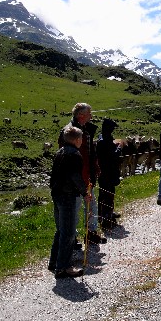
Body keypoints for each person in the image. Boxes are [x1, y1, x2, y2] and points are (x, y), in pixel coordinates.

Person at [58, 103, 106, 244]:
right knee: (75, 209)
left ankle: (91, 233)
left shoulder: (87, 130)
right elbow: (64, 155)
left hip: (88, 176)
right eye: (89, 113)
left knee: (91, 205)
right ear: (81, 115)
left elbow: (91, 152)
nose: (91, 116)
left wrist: (95, 166)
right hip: (76, 178)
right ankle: (71, 239)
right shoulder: (69, 132)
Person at [48, 125, 89, 279]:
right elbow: (75, 176)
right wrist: (84, 192)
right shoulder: (75, 155)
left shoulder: (60, 152)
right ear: (77, 139)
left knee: (60, 230)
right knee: (69, 233)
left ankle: (54, 262)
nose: (82, 141)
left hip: (57, 194)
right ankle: (63, 268)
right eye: (81, 138)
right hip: (67, 196)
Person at [96, 119, 122, 231]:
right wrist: (119, 149)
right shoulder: (104, 141)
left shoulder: (103, 138)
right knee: (107, 194)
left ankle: (106, 213)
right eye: (112, 128)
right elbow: (111, 156)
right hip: (107, 171)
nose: (113, 130)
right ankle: (106, 217)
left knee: (107, 193)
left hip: (107, 171)